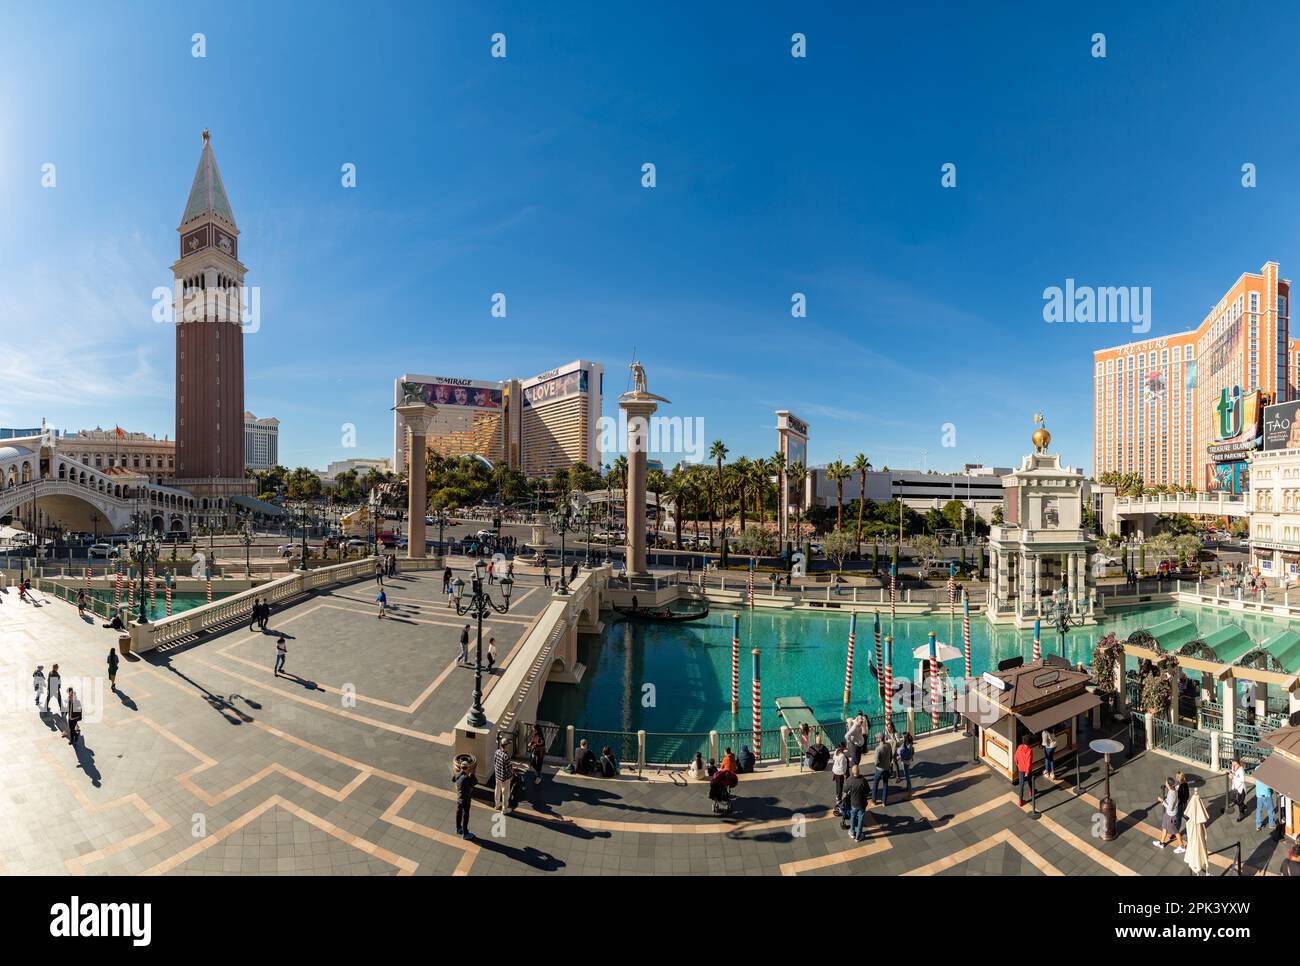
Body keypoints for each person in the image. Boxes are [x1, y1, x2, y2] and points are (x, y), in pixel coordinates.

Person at [1153, 777, 1186, 853]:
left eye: (1166, 782)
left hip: (1171, 815)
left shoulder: (1171, 794)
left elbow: (1170, 808)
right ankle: (1161, 843)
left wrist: (1162, 801)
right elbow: (1177, 786)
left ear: (1168, 784)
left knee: (1175, 831)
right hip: (1168, 814)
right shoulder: (1173, 788)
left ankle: (1182, 846)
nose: (1165, 783)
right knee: (1164, 827)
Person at [842, 764, 871, 842]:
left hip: (853, 803)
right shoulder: (863, 780)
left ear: (852, 771)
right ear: (859, 771)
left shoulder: (850, 780)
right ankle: (858, 836)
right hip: (862, 803)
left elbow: (844, 790)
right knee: (861, 818)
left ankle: (852, 832)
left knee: (853, 816)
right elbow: (868, 791)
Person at [452, 754, 477, 840]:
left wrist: (459, 772)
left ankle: (458, 828)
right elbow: (475, 782)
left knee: (458, 813)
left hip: (459, 798)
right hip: (466, 800)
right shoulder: (467, 778)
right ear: (467, 768)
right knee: (465, 815)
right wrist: (472, 775)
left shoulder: (457, 775)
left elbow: (453, 779)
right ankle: (465, 833)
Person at [492, 737, 515, 813]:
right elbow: (509, 769)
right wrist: (511, 776)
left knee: (497, 790)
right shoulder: (506, 756)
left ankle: (497, 805)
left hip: (498, 776)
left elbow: (495, 763)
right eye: (508, 744)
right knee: (505, 793)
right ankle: (504, 809)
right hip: (505, 778)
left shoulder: (497, 752)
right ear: (506, 745)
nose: (509, 746)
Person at [872, 732, 893, 806]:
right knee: (885, 784)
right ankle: (884, 801)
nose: (876, 738)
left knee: (875, 784)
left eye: (877, 737)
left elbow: (876, 762)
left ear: (880, 738)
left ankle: (874, 800)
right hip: (887, 768)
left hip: (879, 769)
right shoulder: (888, 745)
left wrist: (878, 765)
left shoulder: (878, 749)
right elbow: (891, 756)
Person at [1014, 734, 1034, 807]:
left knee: (1021, 784)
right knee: (1030, 780)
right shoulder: (1030, 751)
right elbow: (1029, 762)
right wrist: (1027, 771)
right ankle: (1031, 791)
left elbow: (1015, 756)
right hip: (1027, 770)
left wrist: (1017, 763)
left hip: (1020, 769)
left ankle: (1020, 800)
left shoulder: (1019, 747)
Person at [831, 742, 850, 815]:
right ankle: (838, 800)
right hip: (840, 772)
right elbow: (842, 767)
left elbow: (833, 759)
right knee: (840, 786)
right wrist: (845, 774)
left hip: (835, 771)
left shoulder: (836, 751)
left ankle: (837, 797)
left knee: (837, 785)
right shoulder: (842, 756)